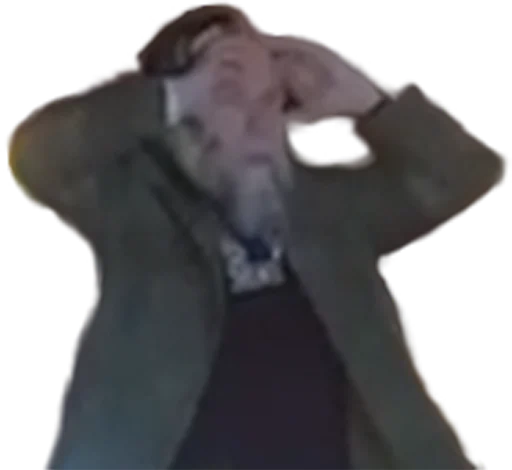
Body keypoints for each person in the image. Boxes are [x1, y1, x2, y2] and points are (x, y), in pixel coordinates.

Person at [5, 3, 507, 470]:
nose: (258, 120)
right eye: (229, 95)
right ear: (180, 123)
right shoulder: (134, 211)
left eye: (269, 98)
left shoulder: (332, 213)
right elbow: (36, 156)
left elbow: (465, 174)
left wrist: (367, 101)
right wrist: (176, 95)